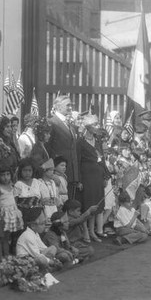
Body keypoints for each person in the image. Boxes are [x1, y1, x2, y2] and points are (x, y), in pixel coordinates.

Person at [77, 114, 110, 242]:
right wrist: (79, 179)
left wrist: (106, 175)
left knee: (97, 204)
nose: (97, 127)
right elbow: (78, 161)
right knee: (88, 203)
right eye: (95, 124)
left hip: (98, 176)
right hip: (87, 176)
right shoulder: (79, 142)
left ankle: (92, 231)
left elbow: (102, 160)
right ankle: (86, 231)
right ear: (88, 127)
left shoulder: (98, 141)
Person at [46, 95, 80, 200]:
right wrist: (51, 174)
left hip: (71, 174)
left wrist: (76, 176)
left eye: (71, 105)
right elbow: (47, 150)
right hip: (58, 175)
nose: (70, 107)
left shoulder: (70, 125)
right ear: (58, 107)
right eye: (68, 105)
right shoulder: (51, 123)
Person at [16, 207, 60, 271]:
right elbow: (37, 255)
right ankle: (47, 268)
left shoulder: (35, 233)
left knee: (53, 248)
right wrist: (51, 262)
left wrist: (55, 259)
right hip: (25, 262)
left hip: (35, 256)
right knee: (41, 259)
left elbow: (43, 248)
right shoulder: (27, 236)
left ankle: (49, 267)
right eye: (42, 224)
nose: (44, 226)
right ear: (33, 225)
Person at [0, 160, 24, 256]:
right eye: (2, 175)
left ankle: (8, 255)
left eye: (8, 174)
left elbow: (14, 200)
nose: (6, 177)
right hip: (3, 214)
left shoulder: (11, 186)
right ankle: (3, 257)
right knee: (2, 237)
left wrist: (16, 211)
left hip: (12, 213)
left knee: (8, 237)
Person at [37, 159, 60, 223]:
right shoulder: (39, 182)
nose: (53, 172)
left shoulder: (53, 182)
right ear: (44, 171)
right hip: (44, 210)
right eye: (51, 170)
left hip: (54, 209)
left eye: (53, 170)